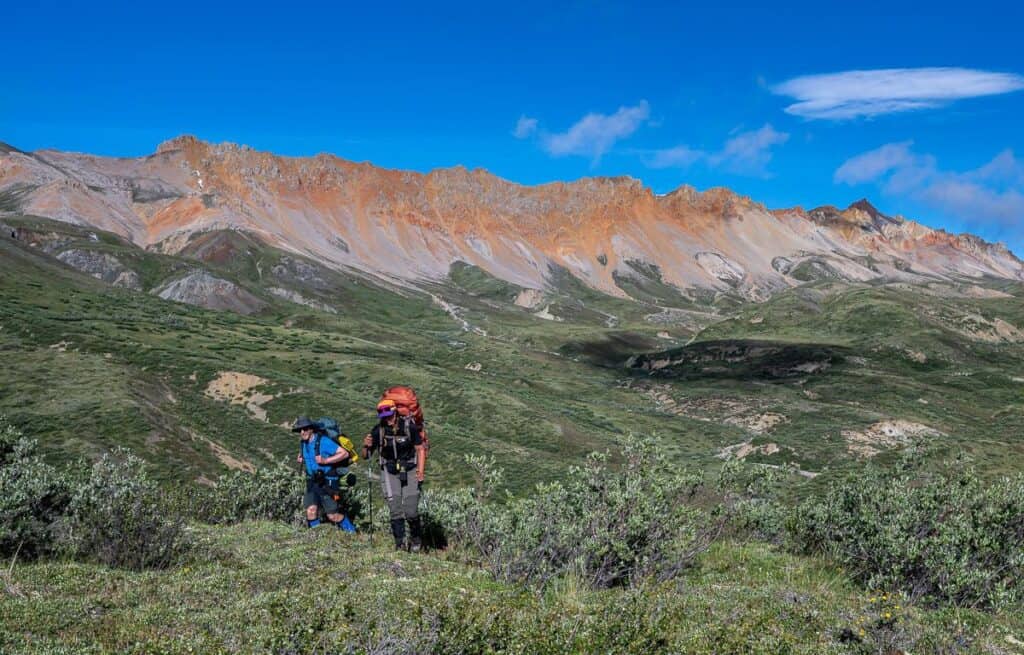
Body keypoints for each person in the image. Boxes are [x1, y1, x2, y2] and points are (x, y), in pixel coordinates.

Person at [362, 399, 426, 551]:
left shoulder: (408, 426)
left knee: (411, 510)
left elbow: (420, 449)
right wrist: (366, 445)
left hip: (410, 469)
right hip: (389, 471)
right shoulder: (378, 430)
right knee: (395, 508)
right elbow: (366, 456)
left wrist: (421, 470)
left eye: (390, 415)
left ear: (395, 412)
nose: (388, 419)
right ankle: (400, 545)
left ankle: (416, 540)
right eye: (385, 417)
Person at [293, 416, 356, 532]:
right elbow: (308, 455)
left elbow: (344, 454)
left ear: (311, 429)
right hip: (312, 482)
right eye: (300, 430)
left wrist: (325, 461)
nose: (302, 432)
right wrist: (302, 458)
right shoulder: (303, 443)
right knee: (311, 511)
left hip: (328, 482)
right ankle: (316, 538)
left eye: (305, 429)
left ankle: (353, 533)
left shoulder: (323, 441)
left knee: (333, 516)